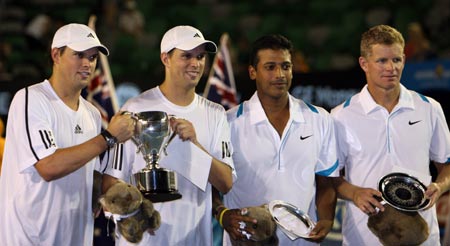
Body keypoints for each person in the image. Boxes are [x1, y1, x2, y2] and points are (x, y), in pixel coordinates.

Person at [0, 23, 134, 245]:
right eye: (79, 54)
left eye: (92, 58)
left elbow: (90, 180)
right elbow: (48, 167)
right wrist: (109, 138)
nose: (87, 64)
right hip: (29, 239)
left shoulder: (92, 113)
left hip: (75, 238)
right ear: (56, 55)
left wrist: (125, 200)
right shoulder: (30, 99)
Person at [101, 25, 235, 245]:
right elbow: (110, 180)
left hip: (195, 239)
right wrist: (134, 210)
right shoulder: (134, 108)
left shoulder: (215, 113)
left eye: (200, 56)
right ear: (165, 58)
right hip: (143, 240)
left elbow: (225, 183)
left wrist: (195, 144)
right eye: (187, 56)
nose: (196, 63)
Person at [213, 34, 339, 245]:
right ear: (253, 72)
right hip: (247, 241)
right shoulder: (227, 123)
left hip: (303, 241)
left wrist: (326, 218)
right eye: (270, 67)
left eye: (286, 66)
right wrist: (222, 215)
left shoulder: (319, 118)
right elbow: (212, 185)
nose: (280, 74)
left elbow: (326, 180)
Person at [331, 24, 450, 245]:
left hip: (422, 236)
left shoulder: (429, 108)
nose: (391, 68)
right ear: (364, 63)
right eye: (382, 61)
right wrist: (355, 193)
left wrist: (440, 186)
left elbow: (447, 165)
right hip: (364, 237)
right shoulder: (340, 116)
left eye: (396, 60)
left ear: (404, 59)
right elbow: (329, 179)